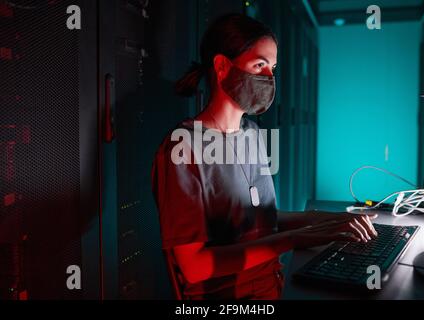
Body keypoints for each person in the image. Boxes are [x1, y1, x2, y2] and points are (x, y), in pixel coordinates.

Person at [151, 13, 377, 300]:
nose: (270, 78)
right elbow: (194, 266)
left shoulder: (253, 134)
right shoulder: (182, 148)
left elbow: (260, 221)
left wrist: (327, 222)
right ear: (222, 66)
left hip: (273, 287)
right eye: (260, 65)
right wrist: (294, 238)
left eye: (273, 67)